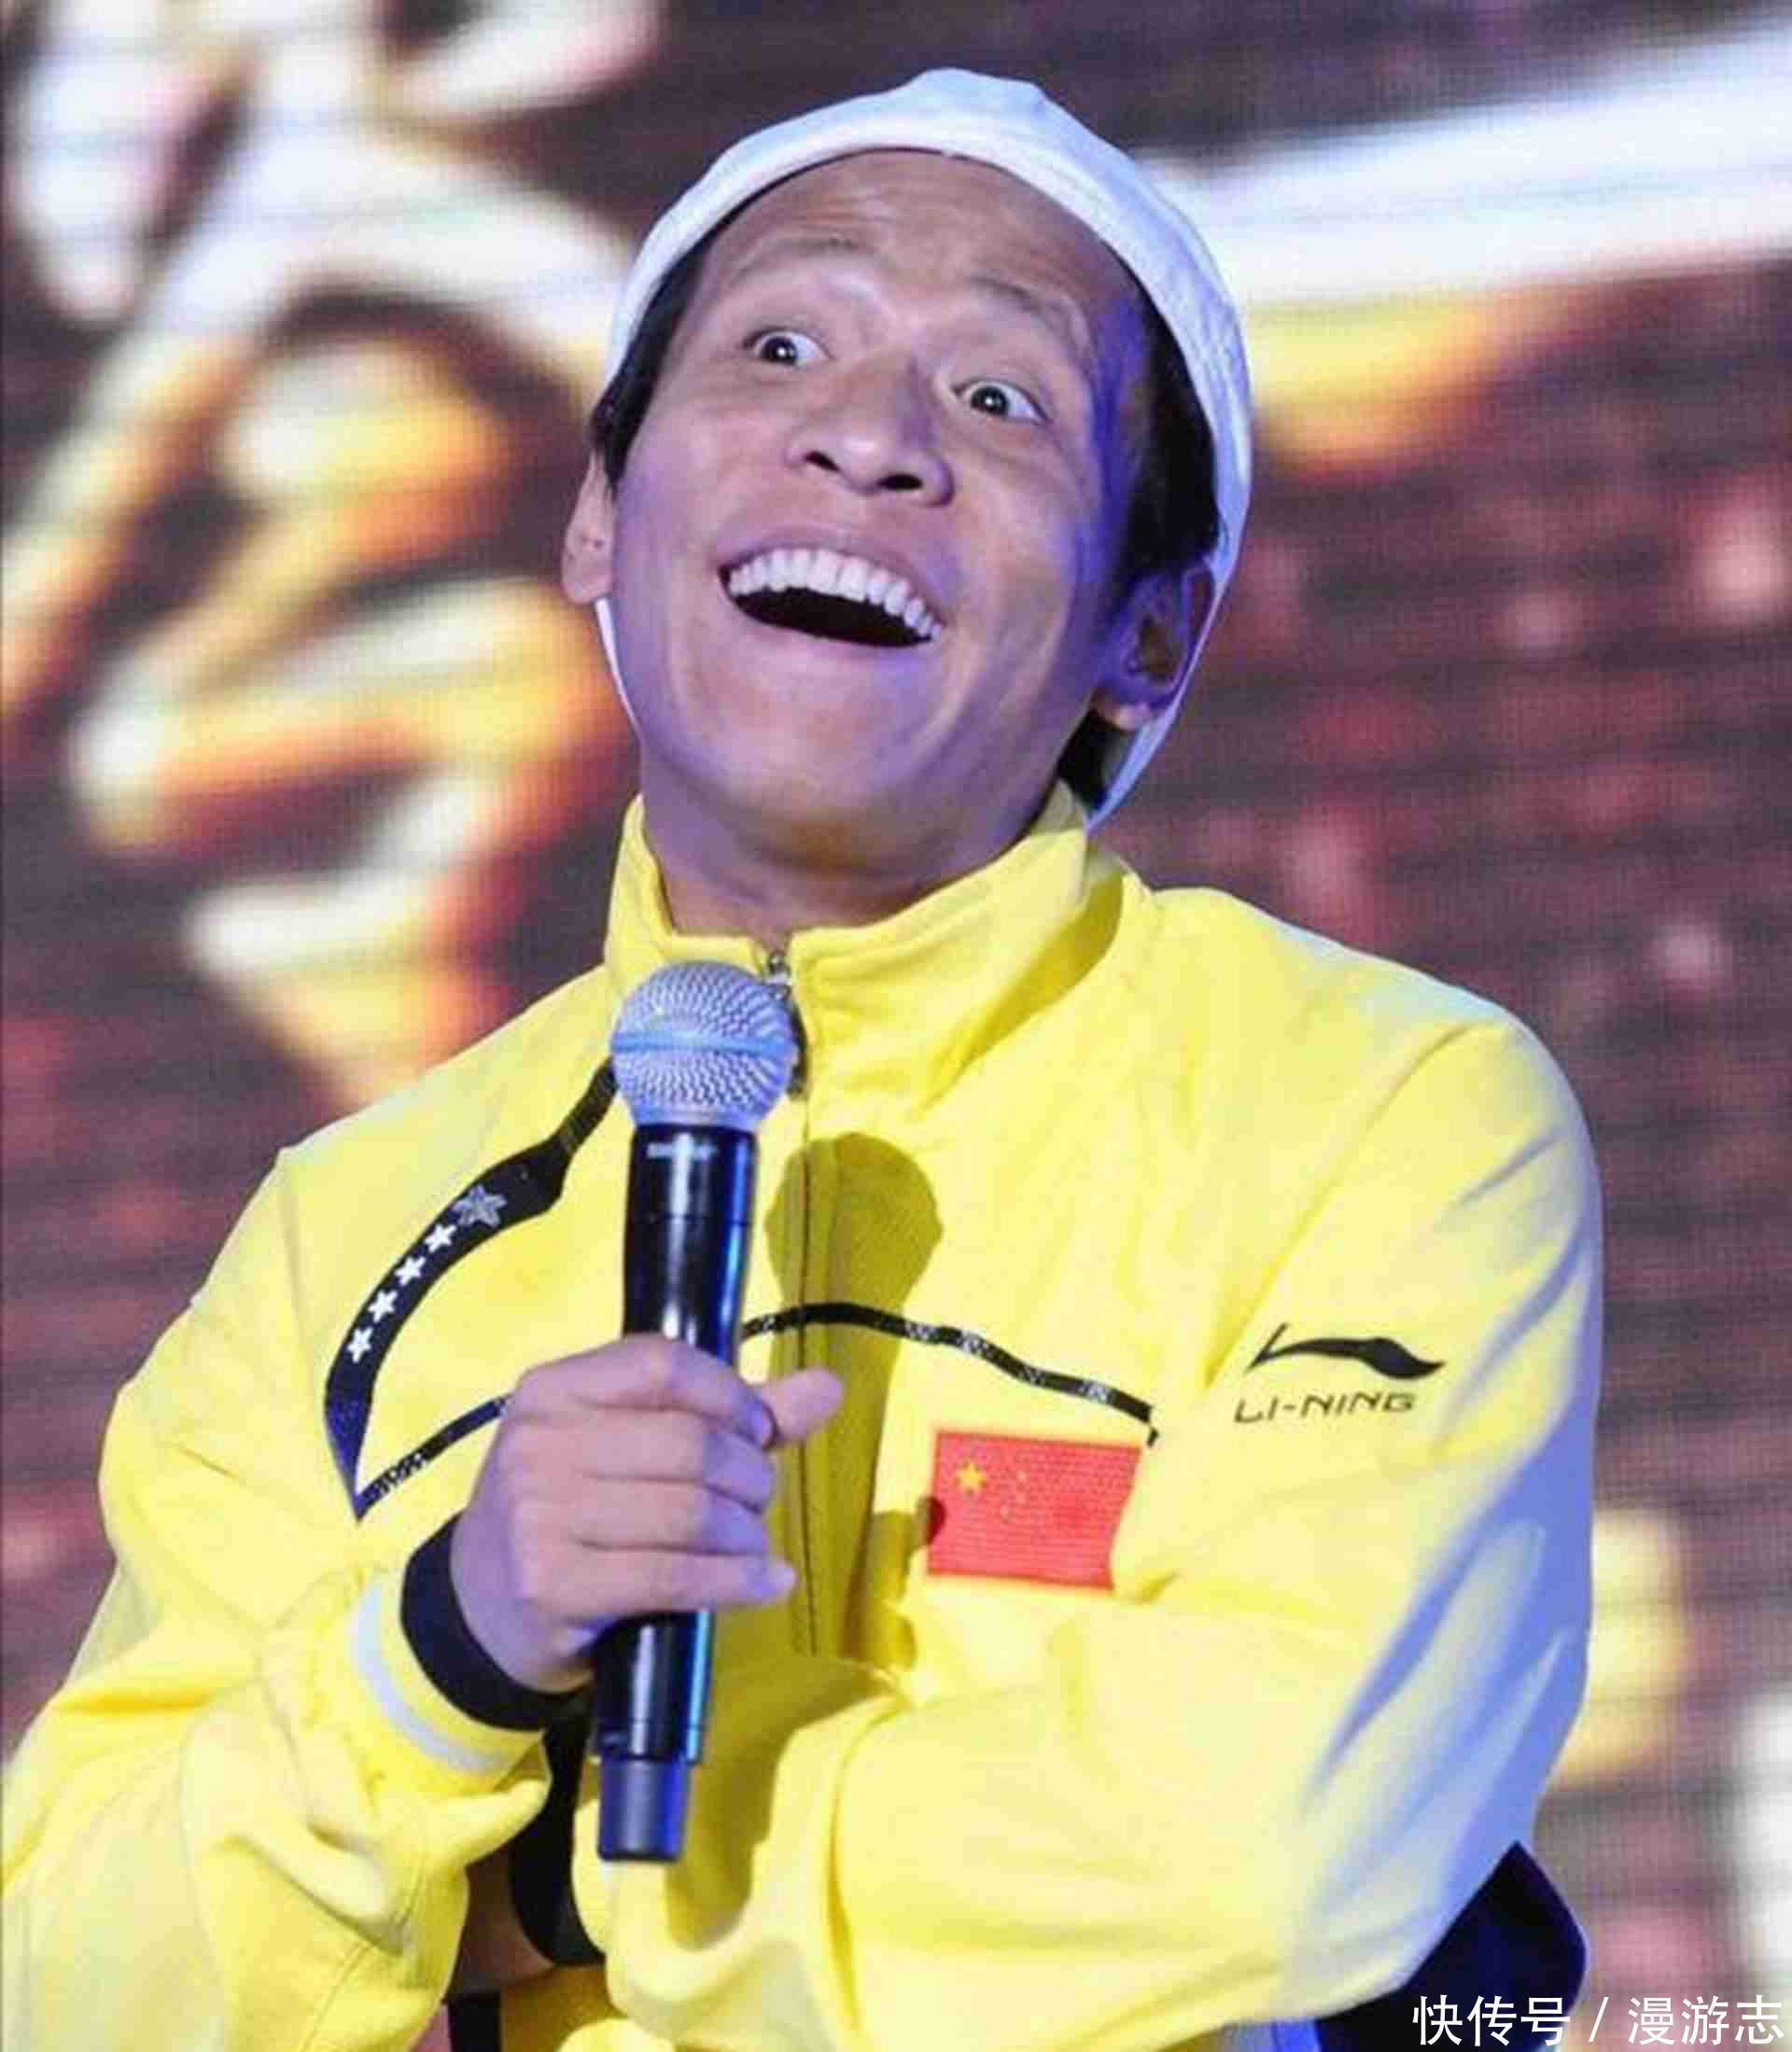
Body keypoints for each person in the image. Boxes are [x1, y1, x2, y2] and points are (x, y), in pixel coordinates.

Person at [1, 69, 1600, 2052]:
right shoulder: (347, 1230)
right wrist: (436, 1654)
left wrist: (570, 1874)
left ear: (1150, 636)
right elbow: (65, 1989)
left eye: (999, 397)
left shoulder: (1381, 1108)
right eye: (778, 348)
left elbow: (1278, 1846)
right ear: (601, 513)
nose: (869, 436)